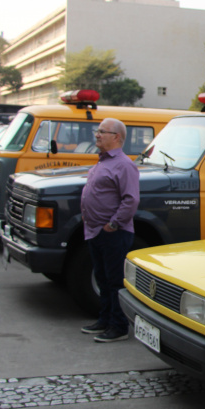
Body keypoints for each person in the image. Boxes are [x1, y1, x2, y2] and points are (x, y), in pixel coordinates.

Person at [80, 118, 139, 343]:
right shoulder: (103, 162)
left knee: (115, 281)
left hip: (114, 233)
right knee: (103, 278)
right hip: (96, 231)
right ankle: (104, 320)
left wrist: (113, 224)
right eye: (98, 131)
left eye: (102, 132)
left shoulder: (124, 165)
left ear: (116, 137)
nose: (97, 135)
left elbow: (131, 199)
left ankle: (119, 326)